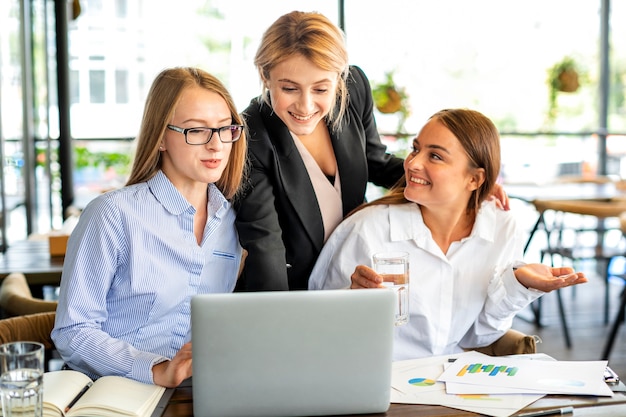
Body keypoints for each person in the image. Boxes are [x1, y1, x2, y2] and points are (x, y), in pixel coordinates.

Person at [235, 11, 510, 291]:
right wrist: (275, 322)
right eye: (290, 88)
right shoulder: (250, 137)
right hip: (294, 289)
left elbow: (375, 162)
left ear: (339, 79)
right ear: (265, 76)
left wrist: (464, 188)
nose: (305, 106)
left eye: (321, 89)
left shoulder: (354, 89)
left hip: (353, 274)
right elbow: (265, 245)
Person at [308, 108, 587, 360]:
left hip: (451, 386)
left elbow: (481, 336)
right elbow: (317, 330)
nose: (412, 163)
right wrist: (351, 300)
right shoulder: (368, 228)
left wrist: (518, 285)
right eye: (416, 149)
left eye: (435, 156)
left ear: (474, 179)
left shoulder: (502, 228)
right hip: (379, 385)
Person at [51, 67, 248, 388]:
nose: (217, 145)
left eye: (225, 129)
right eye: (196, 130)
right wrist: (156, 369)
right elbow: (74, 331)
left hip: (195, 397)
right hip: (112, 395)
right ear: (160, 137)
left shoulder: (235, 224)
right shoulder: (112, 214)